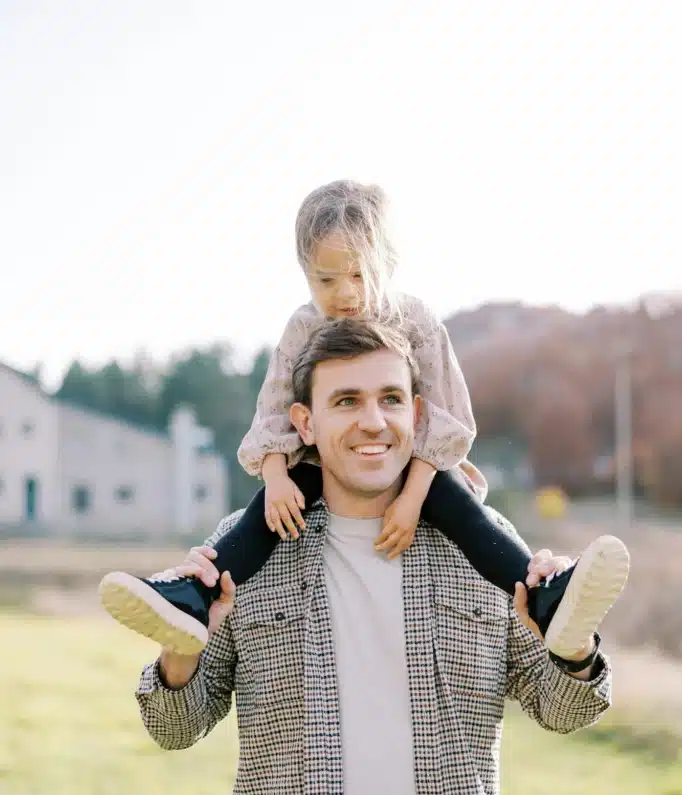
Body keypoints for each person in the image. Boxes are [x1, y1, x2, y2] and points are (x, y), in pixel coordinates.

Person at [136, 318, 622, 795]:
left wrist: (570, 649)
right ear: (302, 421)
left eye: (391, 400)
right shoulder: (243, 556)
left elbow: (565, 709)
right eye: (346, 402)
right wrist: (182, 648)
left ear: (418, 414)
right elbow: (174, 726)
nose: (374, 422)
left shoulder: (480, 550)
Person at [99, 179, 630, 660]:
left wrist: (413, 496)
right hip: (317, 463)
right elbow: (276, 406)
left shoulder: (415, 320)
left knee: (465, 514)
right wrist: (278, 475)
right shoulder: (303, 326)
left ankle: (543, 598)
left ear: (386, 264)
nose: (345, 294)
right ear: (305, 273)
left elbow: (444, 415)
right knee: (264, 516)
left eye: (358, 274)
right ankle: (196, 595)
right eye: (326, 279)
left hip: (421, 464)